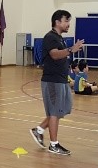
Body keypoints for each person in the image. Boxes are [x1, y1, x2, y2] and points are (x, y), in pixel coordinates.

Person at [29, 10, 85, 155]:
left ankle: (39, 130)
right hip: (52, 80)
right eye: (66, 21)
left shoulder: (60, 38)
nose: (68, 24)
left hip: (61, 79)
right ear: (57, 22)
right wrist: (71, 49)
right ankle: (54, 145)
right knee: (55, 112)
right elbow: (54, 55)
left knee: (62, 109)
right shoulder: (50, 37)